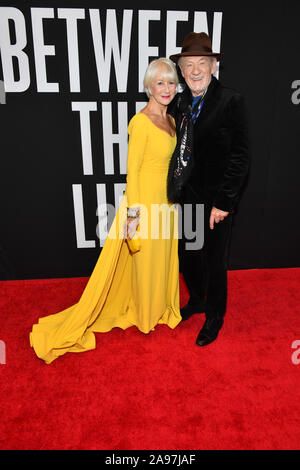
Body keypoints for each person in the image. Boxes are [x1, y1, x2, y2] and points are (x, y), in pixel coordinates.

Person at [30, 58, 182, 364]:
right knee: (146, 262)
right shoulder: (140, 123)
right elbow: (133, 174)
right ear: (148, 87)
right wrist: (133, 218)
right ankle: (146, 315)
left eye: (170, 82)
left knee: (163, 258)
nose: (166, 89)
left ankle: (162, 307)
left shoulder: (172, 121)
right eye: (159, 83)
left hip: (166, 204)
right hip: (145, 204)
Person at [167, 32, 249, 346]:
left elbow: (241, 156)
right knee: (189, 256)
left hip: (218, 200)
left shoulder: (232, 100)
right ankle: (198, 300)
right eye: (189, 65)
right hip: (188, 198)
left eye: (203, 63)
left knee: (215, 261)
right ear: (182, 70)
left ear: (214, 66)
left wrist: (225, 202)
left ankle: (215, 316)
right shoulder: (179, 102)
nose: (196, 70)